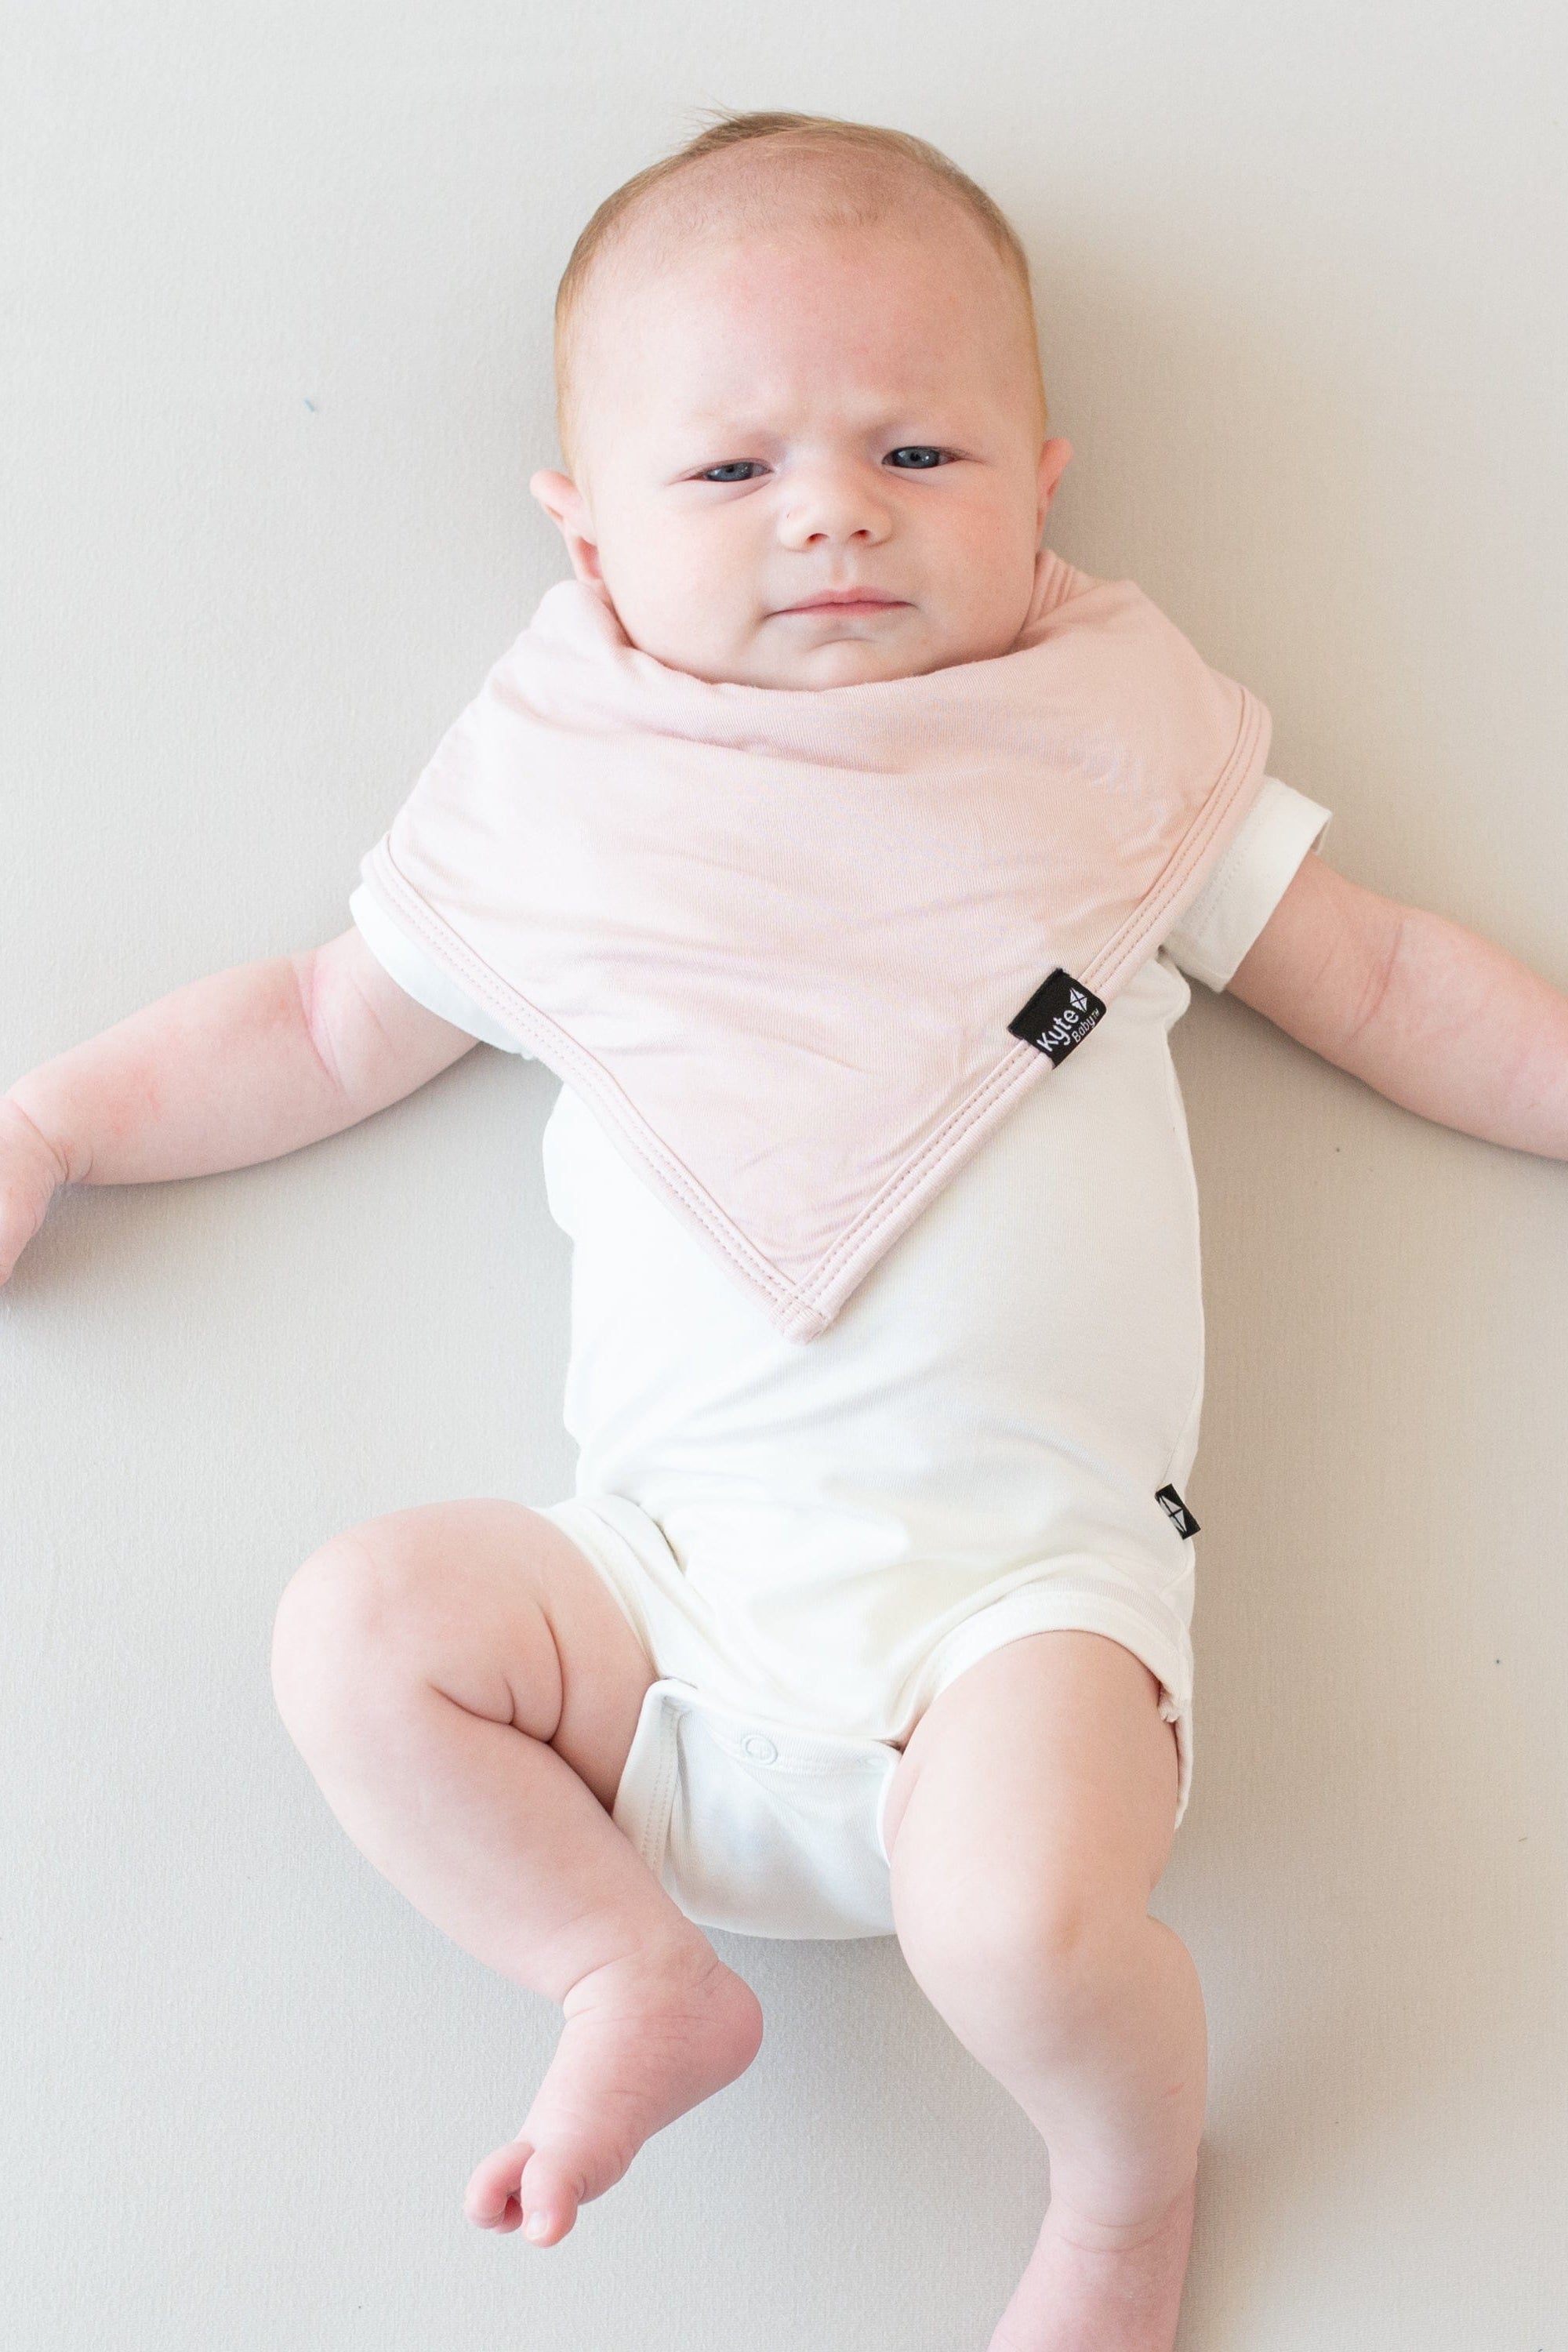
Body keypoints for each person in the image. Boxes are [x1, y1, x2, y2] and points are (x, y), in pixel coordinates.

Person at [4, 112, 1565, 2352]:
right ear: (584, 532)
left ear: (1045, 481)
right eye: (728, 475)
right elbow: (322, 1030)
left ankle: (1120, 2200)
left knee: (1024, 1935)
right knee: (364, 1628)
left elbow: (1397, 982)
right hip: (652, 1596)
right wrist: (53, 1119)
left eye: (918, 448)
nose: (831, 507)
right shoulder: (573, 797)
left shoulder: (1107, 755)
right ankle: (623, 1970)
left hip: (1021, 1609)